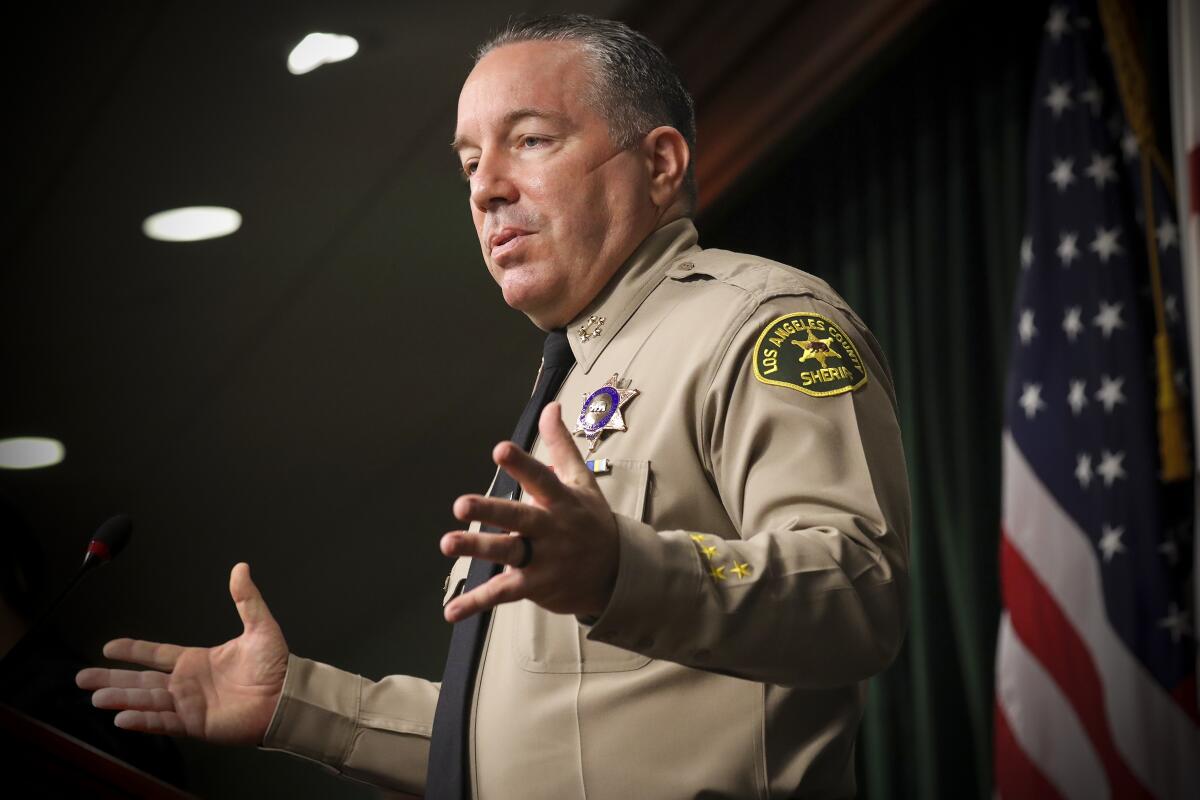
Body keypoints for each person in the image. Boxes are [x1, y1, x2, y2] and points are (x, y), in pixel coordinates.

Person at [77, 14, 909, 799]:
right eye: (470, 162)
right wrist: (297, 705)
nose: (484, 190)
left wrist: (625, 570)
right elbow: (522, 746)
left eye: (531, 141)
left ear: (659, 163)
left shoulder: (755, 323)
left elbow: (860, 590)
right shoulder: (574, 380)